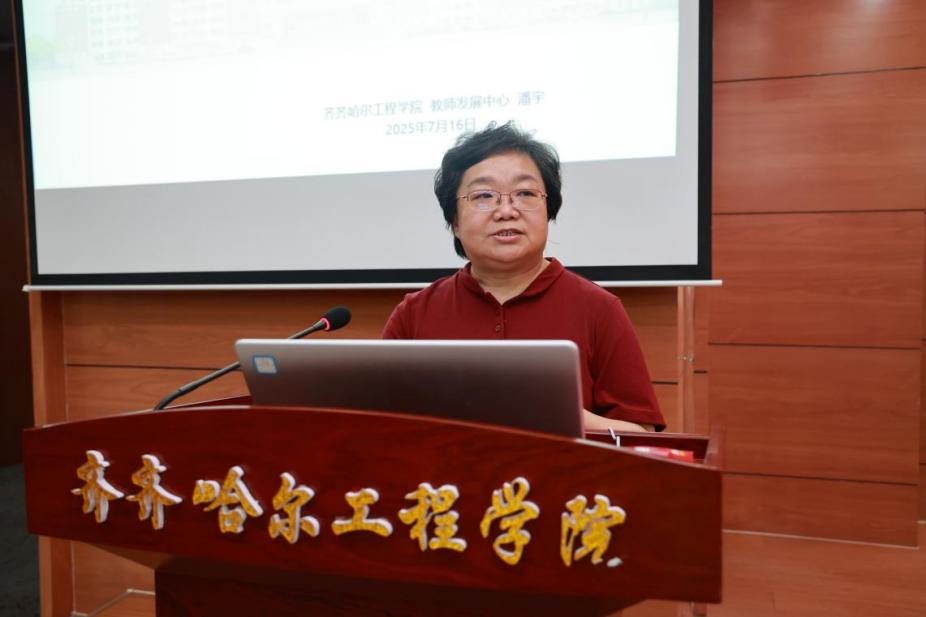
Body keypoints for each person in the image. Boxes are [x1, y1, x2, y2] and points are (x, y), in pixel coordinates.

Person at [383, 122, 665, 432]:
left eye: (525, 193)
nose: (506, 211)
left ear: (548, 210)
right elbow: (377, 425)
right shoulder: (414, 314)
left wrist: (561, 415)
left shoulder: (599, 309)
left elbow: (644, 437)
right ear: (455, 222)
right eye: (484, 195)